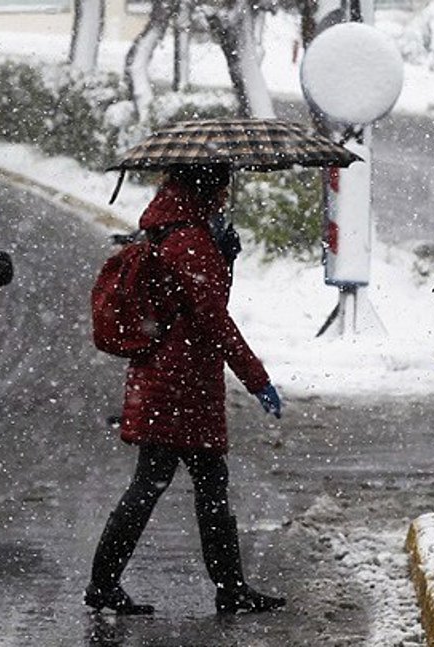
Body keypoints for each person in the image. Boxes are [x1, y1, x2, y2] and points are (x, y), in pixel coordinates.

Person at [85, 164, 286, 616]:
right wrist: (258, 380)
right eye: (221, 187)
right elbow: (213, 318)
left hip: (167, 377)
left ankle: (225, 587)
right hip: (180, 385)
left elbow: (196, 302)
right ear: (205, 188)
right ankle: (220, 588)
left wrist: (225, 257)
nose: (225, 196)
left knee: (184, 483)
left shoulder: (168, 229)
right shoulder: (189, 241)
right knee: (175, 485)